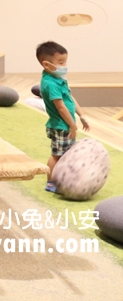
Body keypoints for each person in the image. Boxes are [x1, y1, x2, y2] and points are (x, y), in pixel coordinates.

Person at [36, 40, 89, 193]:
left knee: (65, 154)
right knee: (57, 156)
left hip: (65, 124)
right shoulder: (50, 83)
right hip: (61, 125)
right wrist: (72, 125)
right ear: (47, 64)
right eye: (60, 62)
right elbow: (61, 107)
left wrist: (82, 115)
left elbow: (70, 98)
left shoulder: (58, 79)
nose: (64, 65)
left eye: (65, 61)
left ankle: (65, 178)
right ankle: (51, 182)